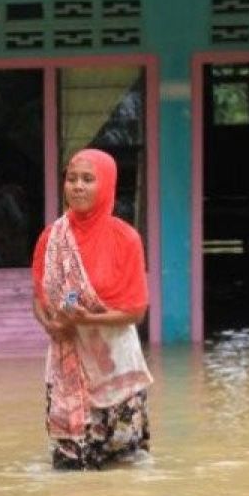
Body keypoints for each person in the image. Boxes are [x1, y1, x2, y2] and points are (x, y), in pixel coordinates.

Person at [32, 148, 153, 470]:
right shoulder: (52, 237)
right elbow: (39, 297)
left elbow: (136, 312)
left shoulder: (126, 238)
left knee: (125, 464)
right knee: (69, 463)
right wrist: (49, 324)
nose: (78, 186)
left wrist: (90, 319)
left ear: (107, 185)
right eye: (72, 179)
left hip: (116, 366)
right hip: (67, 361)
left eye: (88, 179)